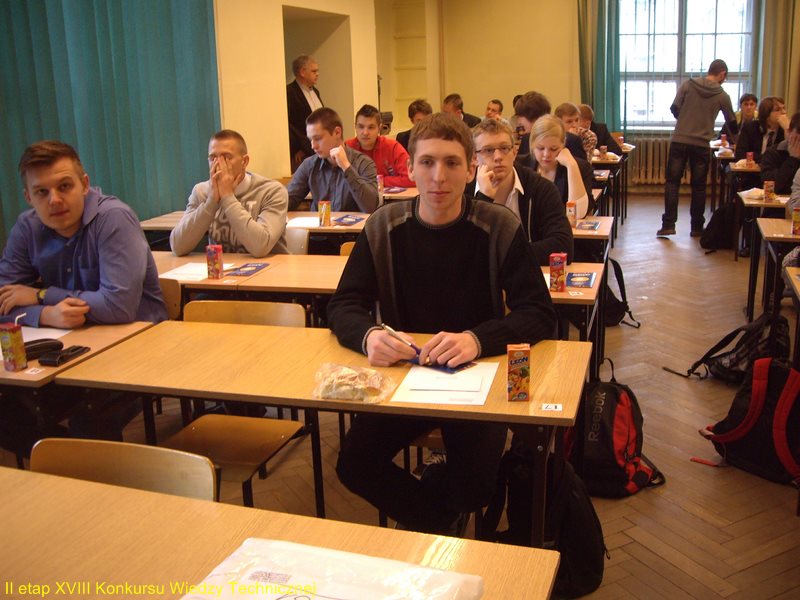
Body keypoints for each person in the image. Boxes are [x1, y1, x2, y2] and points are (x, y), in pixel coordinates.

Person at [328, 112, 556, 536]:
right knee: (353, 464)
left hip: (477, 381)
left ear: (471, 169)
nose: (438, 176)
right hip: (404, 379)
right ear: (410, 168)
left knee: (475, 488)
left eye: (452, 163)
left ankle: (437, 513)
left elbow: (539, 313)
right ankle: (439, 522)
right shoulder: (383, 226)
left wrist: (477, 339)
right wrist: (369, 335)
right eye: (427, 162)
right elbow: (344, 304)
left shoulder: (499, 226)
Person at [0, 140, 168, 450]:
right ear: (28, 197)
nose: (55, 200)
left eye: (64, 186)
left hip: (137, 346)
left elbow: (118, 307)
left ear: (85, 184)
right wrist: (46, 314)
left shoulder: (113, 218)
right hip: (67, 349)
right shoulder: (27, 228)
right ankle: (62, 461)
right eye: (42, 192)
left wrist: (41, 295)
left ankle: (83, 464)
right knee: (7, 409)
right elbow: (4, 299)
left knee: (89, 419)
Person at [466, 118, 573, 264]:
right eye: (488, 150)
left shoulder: (540, 188)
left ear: (514, 153)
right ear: (474, 158)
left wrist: (504, 257)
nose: (498, 157)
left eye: (504, 148)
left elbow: (563, 246)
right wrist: (484, 198)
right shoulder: (463, 191)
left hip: (526, 276)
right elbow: (467, 253)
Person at [170, 130, 288, 257]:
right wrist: (211, 202)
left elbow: (260, 247)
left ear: (244, 161)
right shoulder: (201, 191)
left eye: (227, 157)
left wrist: (227, 197)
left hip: (270, 267)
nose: (218, 164)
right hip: (221, 267)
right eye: (213, 158)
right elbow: (178, 247)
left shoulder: (271, 191)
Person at [657, 59, 737, 238]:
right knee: (699, 186)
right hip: (701, 144)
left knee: (672, 183)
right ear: (722, 74)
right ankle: (697, 228)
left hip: (680, 140)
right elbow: (731, 122)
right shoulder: (722, 95)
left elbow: (674, 107)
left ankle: (668, 224)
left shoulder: (688, 85)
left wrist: (685, 121)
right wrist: (737, 143)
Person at [287, 107, 379, 213]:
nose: (313, 146)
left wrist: (346, 167)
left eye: (318, 138)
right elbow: (288, 201)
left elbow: (371, 207)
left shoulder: (364, 163)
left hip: (354, 224)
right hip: (318, 224)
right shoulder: (309, 165)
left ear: (337, 132)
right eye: (311, 140)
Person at [527, 116, 594, 219]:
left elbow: (578, 214)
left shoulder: (581, 167)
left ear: (563, 145)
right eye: (540, 148)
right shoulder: (522, 165)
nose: (546, 154)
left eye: (553, 149)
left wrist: (571, 166)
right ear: (532, 145)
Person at [345, 104, 414, 188]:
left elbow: (412, 178)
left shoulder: (392, 147)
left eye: (371, 127)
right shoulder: (346, 148)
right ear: (355, 127)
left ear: (379, 128)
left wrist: (378, 181)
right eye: (361, 127)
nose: (365, 132)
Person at [513, 91, 587, 164]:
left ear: (531, 117)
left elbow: (583, 168)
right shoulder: (526, 138)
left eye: (520, 117)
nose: (519, 122)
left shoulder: (572, 140)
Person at [286, 55, 323, 172]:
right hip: (302, 152)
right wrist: (298, 148)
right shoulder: (289, 92)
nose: (317, 74)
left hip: (320, 148)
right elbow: (289, 124)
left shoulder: (316, 91)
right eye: (314, 71)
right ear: (302, 72)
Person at [734, 97, 788, 164]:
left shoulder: (785, 130)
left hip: (775, 170)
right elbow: (740, 154)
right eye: (778, 110)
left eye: (784, 108)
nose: (784, 112)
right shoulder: (750, 127)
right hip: (752, 169)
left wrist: (788, 130)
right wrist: (765, 159)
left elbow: (787, 158)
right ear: (766, 114)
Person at [760, 112, 800, 195]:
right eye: (797, 139)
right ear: (789, 132)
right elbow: (771, 188)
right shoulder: (773, 153)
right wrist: (792, 159)